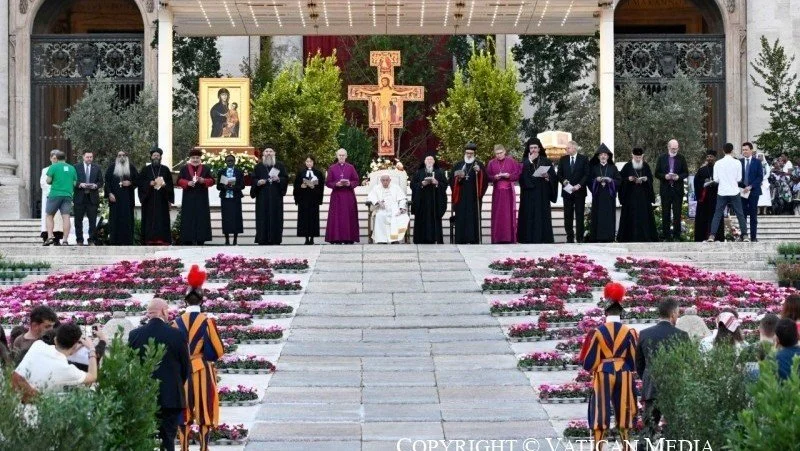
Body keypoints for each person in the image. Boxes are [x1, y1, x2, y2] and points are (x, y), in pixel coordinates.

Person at [578, 282, 638, 450]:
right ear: (621, 311)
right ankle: (626, 446)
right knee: (624, 409)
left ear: (605, 311)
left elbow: (589, 362)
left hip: (604, 372)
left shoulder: (597, 332)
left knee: (600, 410)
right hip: (624, 372)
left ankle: (598, 447)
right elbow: (633, 360)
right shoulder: (629, 331)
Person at [173, 266, 224, 451]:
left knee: (183, 412)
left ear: (184, 301)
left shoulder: (176, 323)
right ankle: (203, 447)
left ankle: (184, 447)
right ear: (202, 301)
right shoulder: (207, 321)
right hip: (202, 369)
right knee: (204, 411)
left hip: (182, 372)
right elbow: (218, 350)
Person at [129, 298, 191, 451]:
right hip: (171, 397)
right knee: (168, 438)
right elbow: (186, 368)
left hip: (144, 396)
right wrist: (175, 384)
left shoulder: (135, 334)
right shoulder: (177, 335)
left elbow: (130, 364)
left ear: (149, 313)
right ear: (163, 311)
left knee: (145, 438)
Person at [635, 299, 689, 438]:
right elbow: (688, 362)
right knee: (672, 430)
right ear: (672, 314)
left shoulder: (644, 334)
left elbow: (639, 363)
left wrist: (648, 378)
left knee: (648, 429)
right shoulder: (682, 335)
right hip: (674, 387)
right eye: (677, 313)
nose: (677, 316)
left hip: (651, 387)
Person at [13, 323, 98, 393]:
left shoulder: (38, 345)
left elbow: (61, 353)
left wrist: (74, 347)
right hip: (34, 410)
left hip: (13, 403)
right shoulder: (66, 369)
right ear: (75, 345)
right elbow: (92, 376)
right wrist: (91, 348)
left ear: (55, 340)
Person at [517, 138, 557, 243]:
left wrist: (548, 176)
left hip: (542, 193)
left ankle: (544, 237)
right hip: (529, 194)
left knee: (542, 216)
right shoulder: (524, 161)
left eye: (535, 147)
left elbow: (553, 177)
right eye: (531, 148)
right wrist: (529, 161)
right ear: (528, 149)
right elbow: (521, 177)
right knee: (529, 216)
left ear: (539, 149)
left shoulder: (546, 161)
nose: (533, 150)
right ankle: (527, 238)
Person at [707, 143, 748, 242]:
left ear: (723, 151)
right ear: (732, 150)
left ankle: (712, 236)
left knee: (717, 214)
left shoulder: (718, 163)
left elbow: (716, 179)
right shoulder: (737, 162)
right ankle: (745, 235)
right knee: (740, 214)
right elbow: (739, 179)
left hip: (722, 192)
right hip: (734, 191)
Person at [450, 142, 488, 244]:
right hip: (461, 197)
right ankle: (460, 239)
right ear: (465, 153)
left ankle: (473, 239)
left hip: (473, 197)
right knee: (461, 217)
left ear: (474, 153)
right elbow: (451, 180)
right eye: (467, 152)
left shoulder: (478, 165)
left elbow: (485, 181)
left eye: (471, 153)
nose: (469, 155)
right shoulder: (459, 164)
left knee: (473, 217)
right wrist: (458, 179)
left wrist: (479, 172)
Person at [617, 148, 658, 242]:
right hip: (630, 199)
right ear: (632, 155)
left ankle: (645, 237)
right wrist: (628, 179)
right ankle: (629, 238)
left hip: (643, 198)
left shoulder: (646, 166)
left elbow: (651, 180)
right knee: (630, 218)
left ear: (642, 156)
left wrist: (646, 179)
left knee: (644, 218)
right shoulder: (627, 166)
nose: (638, 159)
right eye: (636, 157)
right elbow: (621, 180)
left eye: (640, 157)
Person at [251, 147, 288, 245]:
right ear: (263, 154)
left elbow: (285, 178)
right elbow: (253, 179)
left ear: (274, 153)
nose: (268, 153)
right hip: (262, 197)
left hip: (276, 197)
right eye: (266, 151)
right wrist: (258, 182)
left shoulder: (280, 165)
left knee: (276, 217)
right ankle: (262, 239)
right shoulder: (258, 166)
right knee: (262, 217)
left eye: (271, 151)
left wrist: (279, 179)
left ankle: (276, 239)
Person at [177, 149, 215, 245]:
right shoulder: (184, 168)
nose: (195, 160)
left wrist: (204, 180)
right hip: (188, 199)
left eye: (197, 158)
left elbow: (212, 181)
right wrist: (187, 183)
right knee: (188, 218)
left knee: (201, 219)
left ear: (200, 158)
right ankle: (188, 239)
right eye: (193, 158)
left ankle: (201, 239)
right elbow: (179, 181)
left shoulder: (206, 168)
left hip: (201, 199)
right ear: (190, 159)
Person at [486, 144, 521, 244]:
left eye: (501, 153)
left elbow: (517, 175)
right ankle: (498, 238)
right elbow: (488, 176)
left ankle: (509, 238)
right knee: (498, 215)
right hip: (497, 193)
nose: (499, 155)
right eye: (497, 154)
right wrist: (494, 177)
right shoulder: (491, 163)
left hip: (509, 192)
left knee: (508, 215)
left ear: (504, 152)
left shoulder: (511, 161)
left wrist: (509, 175)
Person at [654, 139, 689, 241]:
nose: (675, 150)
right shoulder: (662, 158)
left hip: (677, 190)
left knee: (677, 214)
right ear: (668, 147)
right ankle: (667, 236)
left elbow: (686, 172)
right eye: (673, 148)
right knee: (666, 213)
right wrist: (665, 176)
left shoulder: (681, 158)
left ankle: (677, 236)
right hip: (666, 190)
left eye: (676, 148)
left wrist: (679, 177)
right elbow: (657, 173)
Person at [138, 147, 174, 245]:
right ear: (151, 157)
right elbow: (140, 183)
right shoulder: (145, 170)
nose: (156, 157)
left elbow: (170, 184)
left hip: (162, 199)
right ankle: (149, 239)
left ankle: (162, 239)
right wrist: (149, 183)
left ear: (160, 157)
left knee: (162, 219)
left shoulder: (165, 169)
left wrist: (165, 185)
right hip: (149, 199)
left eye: (158, 156)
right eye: (154, 155)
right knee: (149, 219)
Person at [325, 148, 360, 244]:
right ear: (337, 156)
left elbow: (356, 180)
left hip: (348, 196)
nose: (341, 157)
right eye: (339, 155)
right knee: (337, 217)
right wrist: (336, 184)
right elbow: (328, 182)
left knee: (348, 217)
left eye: (343, 155)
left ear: (346, 156)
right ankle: (336, 238)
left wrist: (349, 184)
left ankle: (349, 238)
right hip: (337, 196)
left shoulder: (351, 167)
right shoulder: (332, 168)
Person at [43, 149, 78, 246]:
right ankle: (65, 240)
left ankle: (50, 237)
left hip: (55, 194)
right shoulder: (72, 168)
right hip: (67, 195)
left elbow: (48, 181)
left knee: (49, 215)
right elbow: (75, 183)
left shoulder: (53, 167)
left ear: (57, 158)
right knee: (66, 217)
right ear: (65, 158)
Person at [557, 140, 590, 243]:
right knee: (568, 215)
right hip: (567, 192)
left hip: (579, 192)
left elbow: (587, 174)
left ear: (574, 148)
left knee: (579, 215)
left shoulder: (583, 159)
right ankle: (569, 238)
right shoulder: (563, 159)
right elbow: (559, 174)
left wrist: (579, 185)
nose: (566, 149)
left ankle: (580, 238)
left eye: (568, 148)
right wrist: (563, 181)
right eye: (566, 148)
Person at [411, 154, 448, 244]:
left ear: (434, 162)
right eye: (427, 159)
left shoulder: (439, 172)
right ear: (424, 161)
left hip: (435, 202)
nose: (429, 161)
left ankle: (435, 238)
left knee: (434, 219)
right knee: (421, 220)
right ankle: (420, 239)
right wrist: (422, 184)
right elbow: (413, 185)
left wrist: (437, 183)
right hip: (422, 202)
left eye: (431, 160)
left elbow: (445, 185)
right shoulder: (419, 172)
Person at [588, 144, 621, 243]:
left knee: (608, 217)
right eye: (601, 155)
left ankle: (609, 237)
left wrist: (611, 181)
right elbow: (589, 180)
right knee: (597, 216)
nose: (603, 156)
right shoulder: (593, 168)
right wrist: (595, 180)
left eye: (605, 155)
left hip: (609, 197)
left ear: (608, 156)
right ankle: (596, 237)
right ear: (598, 156)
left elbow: (619, 180)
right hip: (598, 196)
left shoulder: (613, 168)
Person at [105, 150, 138, 245]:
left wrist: (130, 183)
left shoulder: (131, 167)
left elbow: (138, 180)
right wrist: (110, 193)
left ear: (126, 157)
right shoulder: (112, 167)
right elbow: (107, 182)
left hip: (128, 199)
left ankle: (127, 242)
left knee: (127, 220)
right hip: (115, 199)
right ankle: (114, 242)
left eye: (123, 155)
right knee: (115, 220)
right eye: (119, 155)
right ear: (117, 157)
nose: (121, 157)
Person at [367, 175, 409, 244]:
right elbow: (370, 197)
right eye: (383, 180)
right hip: (381, 208)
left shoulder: (396, 187)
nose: (385, 182)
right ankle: (381, 240)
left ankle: (394, 239)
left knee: (396, 216)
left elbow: (402, 199)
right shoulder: (376, 188)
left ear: (390, 180)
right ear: (381, 181)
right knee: (380, 216)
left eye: (387, 180)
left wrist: (401, 208)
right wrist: (378, 202)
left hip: (394, 208)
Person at [693, 150, 724, 242]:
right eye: (708, 157)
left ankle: (717, 237)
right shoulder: (701, 170)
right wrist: (704, 182)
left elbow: (723, 181)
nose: (709, 158)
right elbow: (696, 182)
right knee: (703, 218)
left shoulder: (719, 169)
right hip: (704, 199)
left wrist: (715, 184)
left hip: (716, 198)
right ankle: (702, 237)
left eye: (711, 157)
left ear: (715, 158)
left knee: (715, 217)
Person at [73, 150, 103, 246]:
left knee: (92, 221)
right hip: (79, 197)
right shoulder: (76, 167)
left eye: (91, 157)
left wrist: (95, 185)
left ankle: (91, 240)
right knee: (78, 220)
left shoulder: (97, 168)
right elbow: (73, 180)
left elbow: (101, 182)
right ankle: (79, 240)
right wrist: (79, 184)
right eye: (87, 157)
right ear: (83, 157)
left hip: (92, 198)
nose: (89, 159)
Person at [293, 156, 325, 245]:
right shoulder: (301, 173)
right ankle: (306, 238)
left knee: (313, 218)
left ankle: (312, 238)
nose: (309, 163)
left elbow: (321, 186)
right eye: (307, 161)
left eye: (310, 161)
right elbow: (296, 185)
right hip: (303, 199)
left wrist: (313, 187)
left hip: (313, 199)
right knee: (304, 218)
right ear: (305, 162)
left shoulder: (318, 173)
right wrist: (301, 187)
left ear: (313, 162)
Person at [215, 154, 245, 246]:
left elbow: (242, 185)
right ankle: (227, 240)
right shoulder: (221, 172)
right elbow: (218, 187)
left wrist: (233, 187)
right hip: (225, 198)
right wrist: (224, 187)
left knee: (236, 218)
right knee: (226, 219)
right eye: (228, 161)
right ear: (225, 162)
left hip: (235, 198)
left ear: (234, 162)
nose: (230, 162)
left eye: (232, 161)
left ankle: (235, 240)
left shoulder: (239, 172)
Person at [740, 142, 763, 241]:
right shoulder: (739, 162)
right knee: (742, 215)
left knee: (753, 215)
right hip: (742, 192)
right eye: (743, 150)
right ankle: (743, 236)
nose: (744, 151)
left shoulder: (757, 162)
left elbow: (760, 177)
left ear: (751, 150)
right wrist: (742, 186)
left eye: (746, 149)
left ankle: (753, 237)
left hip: (753, 192)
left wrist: (750, 187)